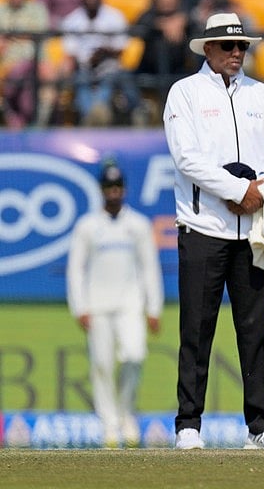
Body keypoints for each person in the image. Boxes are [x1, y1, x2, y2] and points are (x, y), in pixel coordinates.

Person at [163, 12, 264, 450]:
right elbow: (187, 158)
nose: (237, 53)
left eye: (242, 46)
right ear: (208, 48)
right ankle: (188, 424)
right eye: (228, 46)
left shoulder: (263, 95)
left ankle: (260, 425)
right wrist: (238, 190)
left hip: (253, 231)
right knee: (196, 330)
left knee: (255, 332)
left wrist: (259, 192)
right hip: (203, 227)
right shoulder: (185, 93)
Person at [66, 162, 164, 449]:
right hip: (97, 306)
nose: (114, 192)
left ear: (124, 189)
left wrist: (154, 308)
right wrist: (79, 307)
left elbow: (149, 268)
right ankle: (108, 423)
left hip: (130, 304)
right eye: (109, 187)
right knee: (102, 364)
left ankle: (125, 413)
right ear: (101, 190)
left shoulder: (138, 225)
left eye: (118, 186)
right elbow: (76, 269)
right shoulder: (87, 226)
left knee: (134, 355)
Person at [62, 0, 143, 126]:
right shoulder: (72, 20)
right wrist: (88, 60)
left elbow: (121, 47)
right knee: (81, 80)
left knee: (110, 78)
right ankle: (91, 115)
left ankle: (98, 112)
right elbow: (71, 52)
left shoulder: (114, 16)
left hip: (109, 64)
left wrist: (103, 53)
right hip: (83, 66)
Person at [0, 0, 55, 129]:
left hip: (37, 61)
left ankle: (39, 124)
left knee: (50, 78)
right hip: (8, 63)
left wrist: (10, 36)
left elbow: (39, 34)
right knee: (17, 76)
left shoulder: (37, 9)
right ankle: (16, 122)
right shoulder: (1, 11)